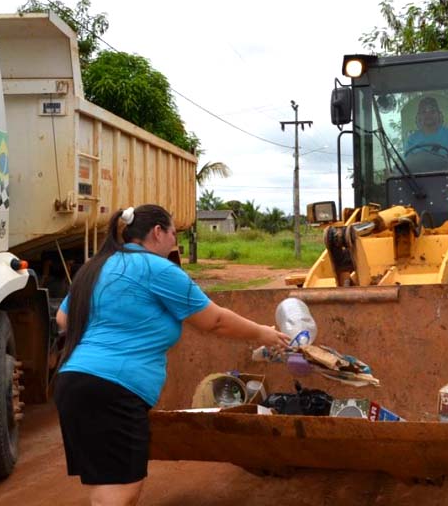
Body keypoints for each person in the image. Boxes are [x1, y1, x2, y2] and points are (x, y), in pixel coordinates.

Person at [54, 204, 289, 506]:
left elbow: (63, 319)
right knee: (122, 492)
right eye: (174, 234)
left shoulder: (96, 266)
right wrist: (264, 333)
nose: (174, 243)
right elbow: (214, 321)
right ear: (157, 232)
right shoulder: (157, 269)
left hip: (74, 383)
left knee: (107, 486)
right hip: (114, 390)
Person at [404, 96, 448, 167]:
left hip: (446, 176)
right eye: (424, 112)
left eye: (432, 111)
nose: (428, 115)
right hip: (418, 177)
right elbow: (407, 165)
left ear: (439, 114)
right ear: (419, 116)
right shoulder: (412, 139)